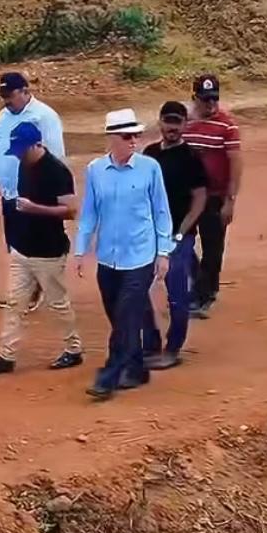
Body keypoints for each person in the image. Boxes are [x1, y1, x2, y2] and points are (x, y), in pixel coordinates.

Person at [75, 109, 173, 401]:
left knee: (125, 316)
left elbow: (161, 212)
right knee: (118, 315)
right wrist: (81, 250)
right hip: (108, 258)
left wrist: (163, 252)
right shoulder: (95, 170)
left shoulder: (150, 168)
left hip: (140, 256)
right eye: (127, 136)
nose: (134, 141)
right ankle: (137, 366)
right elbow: (90, 213)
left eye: (136, 135)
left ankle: (109, 375)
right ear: (112, 139)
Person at [0, 122, 83, 376]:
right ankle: (6, 355)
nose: (18, 154)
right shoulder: (23, 166)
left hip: (48, 252)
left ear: (37, 144)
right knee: (14, 303)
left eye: (22, 149)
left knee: (57, 303)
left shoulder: (57, 171)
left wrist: (35, 209)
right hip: (22, 248)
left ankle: (73, 349)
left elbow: (71, 211)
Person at [0, 72, 65, 310]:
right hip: (9, 191)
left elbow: (55, 155)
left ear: (25, 91)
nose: (6, 100)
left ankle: (32, 290)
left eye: (10, 95)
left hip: (34, 191)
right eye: (3, 96)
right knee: (14, 241)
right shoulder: (2, 116)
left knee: (34, 241)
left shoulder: (44, 116)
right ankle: (28, 286)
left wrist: (47, 188)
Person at [141, 101, 208, 370]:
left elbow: (200, 199)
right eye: (168, 121)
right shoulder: (150, 154)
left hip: (179, 235)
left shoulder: (192, 157)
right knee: (137, 289)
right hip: (150, 236)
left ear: (184, 124)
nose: (172, 127)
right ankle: (151, 344)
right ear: (160, 122)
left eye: (177, 122)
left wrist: (181, 233)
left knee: (177, 294)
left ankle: (173, 348)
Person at [182, 74, 243, 319]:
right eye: (205, 100)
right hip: (187, 197)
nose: (211, 105)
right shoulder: (184, 123)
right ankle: (200, 285)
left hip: (215, 196)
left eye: (214, 99)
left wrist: (230, 200)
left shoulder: (227, 125)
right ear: (194, 98)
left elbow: (236, 164)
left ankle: (206, 293)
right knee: (181, 243)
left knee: (212, 247)